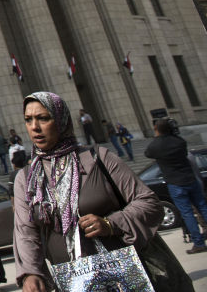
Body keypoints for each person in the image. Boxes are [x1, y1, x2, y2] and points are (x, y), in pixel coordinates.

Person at [13, 92, 166, 292]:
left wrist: (110, 224)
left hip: (121, 276)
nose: (34, 127)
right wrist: (30, 273)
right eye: (28, 120)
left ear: (61, 120)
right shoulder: (26, 178)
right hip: (72, 283)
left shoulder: (99, 159)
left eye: (43, 118)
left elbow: (149, 202)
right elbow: (25, 231)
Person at [145, 117, 207, 254]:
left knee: (187, 213)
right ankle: (199, 241)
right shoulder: (179, 141)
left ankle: (199, 243)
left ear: (156, 130)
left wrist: (158, 137)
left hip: (175, 183)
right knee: (203, 207)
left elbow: (148, 153)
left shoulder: (156, 145)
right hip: (190, 179)